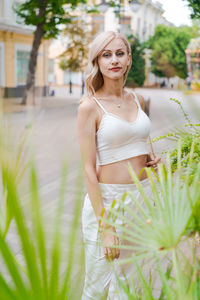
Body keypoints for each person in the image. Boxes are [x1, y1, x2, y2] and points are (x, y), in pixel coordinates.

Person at [77, 31, 161, 299]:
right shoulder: (89, 107)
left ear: (128, 59)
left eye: (119, 53)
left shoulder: (139, 100)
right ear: (98, 62)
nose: (114, 60)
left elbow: (141, 143)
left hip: (142, 199)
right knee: (97, 285)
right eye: (106, 54)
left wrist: (154, 161)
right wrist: (106, 226)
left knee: (130, 284)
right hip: (108, 203)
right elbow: (89, 169)